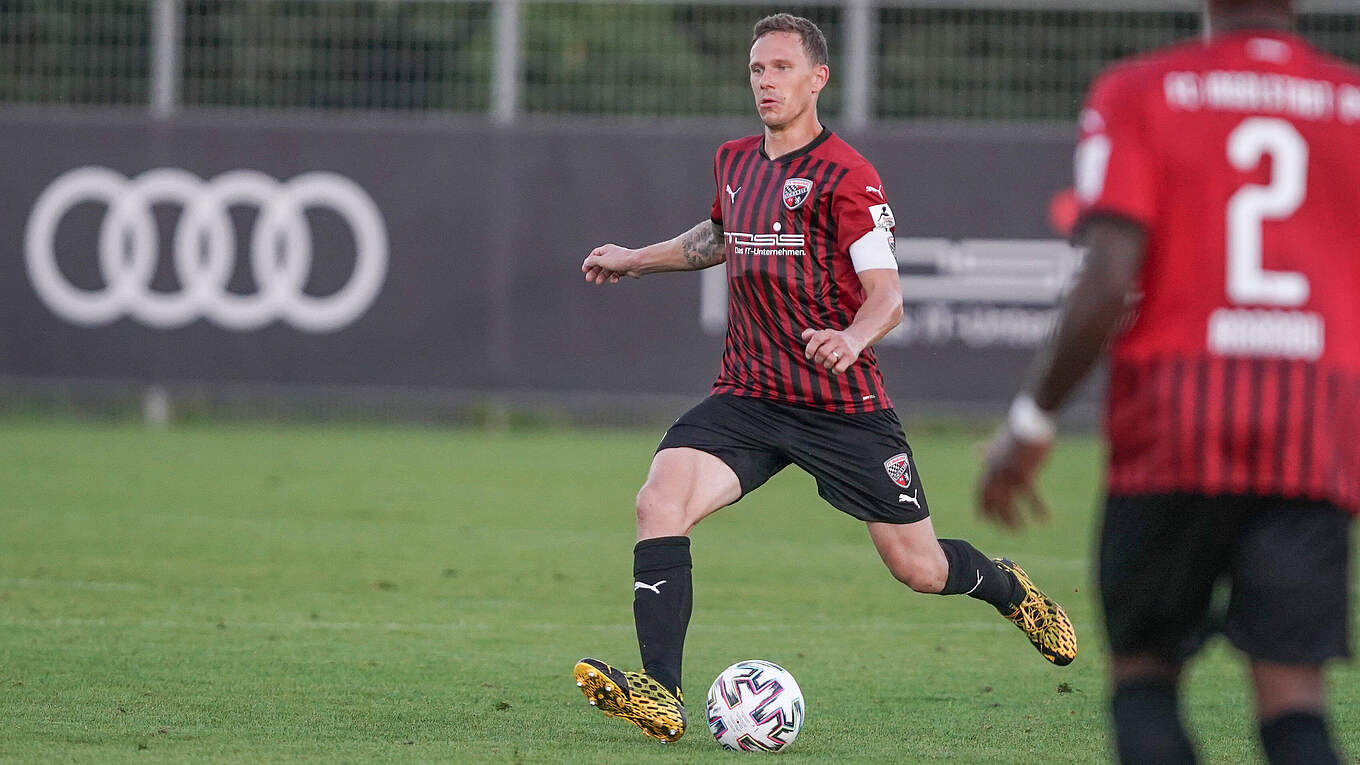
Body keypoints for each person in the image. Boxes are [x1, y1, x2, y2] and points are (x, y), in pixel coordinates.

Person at [574, 13, 1076, 744]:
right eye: (757, 69)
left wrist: (852, 336)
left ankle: (1009, 589)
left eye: (781, 68)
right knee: (658, 502)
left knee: (919, 567)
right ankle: (661, 692)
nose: (766, 82)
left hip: (840, 407)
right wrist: (635, 259)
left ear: (818, 79)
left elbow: (888, 297)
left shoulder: (847, 175)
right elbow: (717, 236)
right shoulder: (734, 160)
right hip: (748, 394)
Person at [977, 1, 1358, 762]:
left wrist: (1032, 422)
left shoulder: (1140, 90)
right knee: (1293, 696)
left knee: (1145, 678)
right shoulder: (1348, 103)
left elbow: (1107, 279)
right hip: (1313, 429)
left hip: (1173, 426)